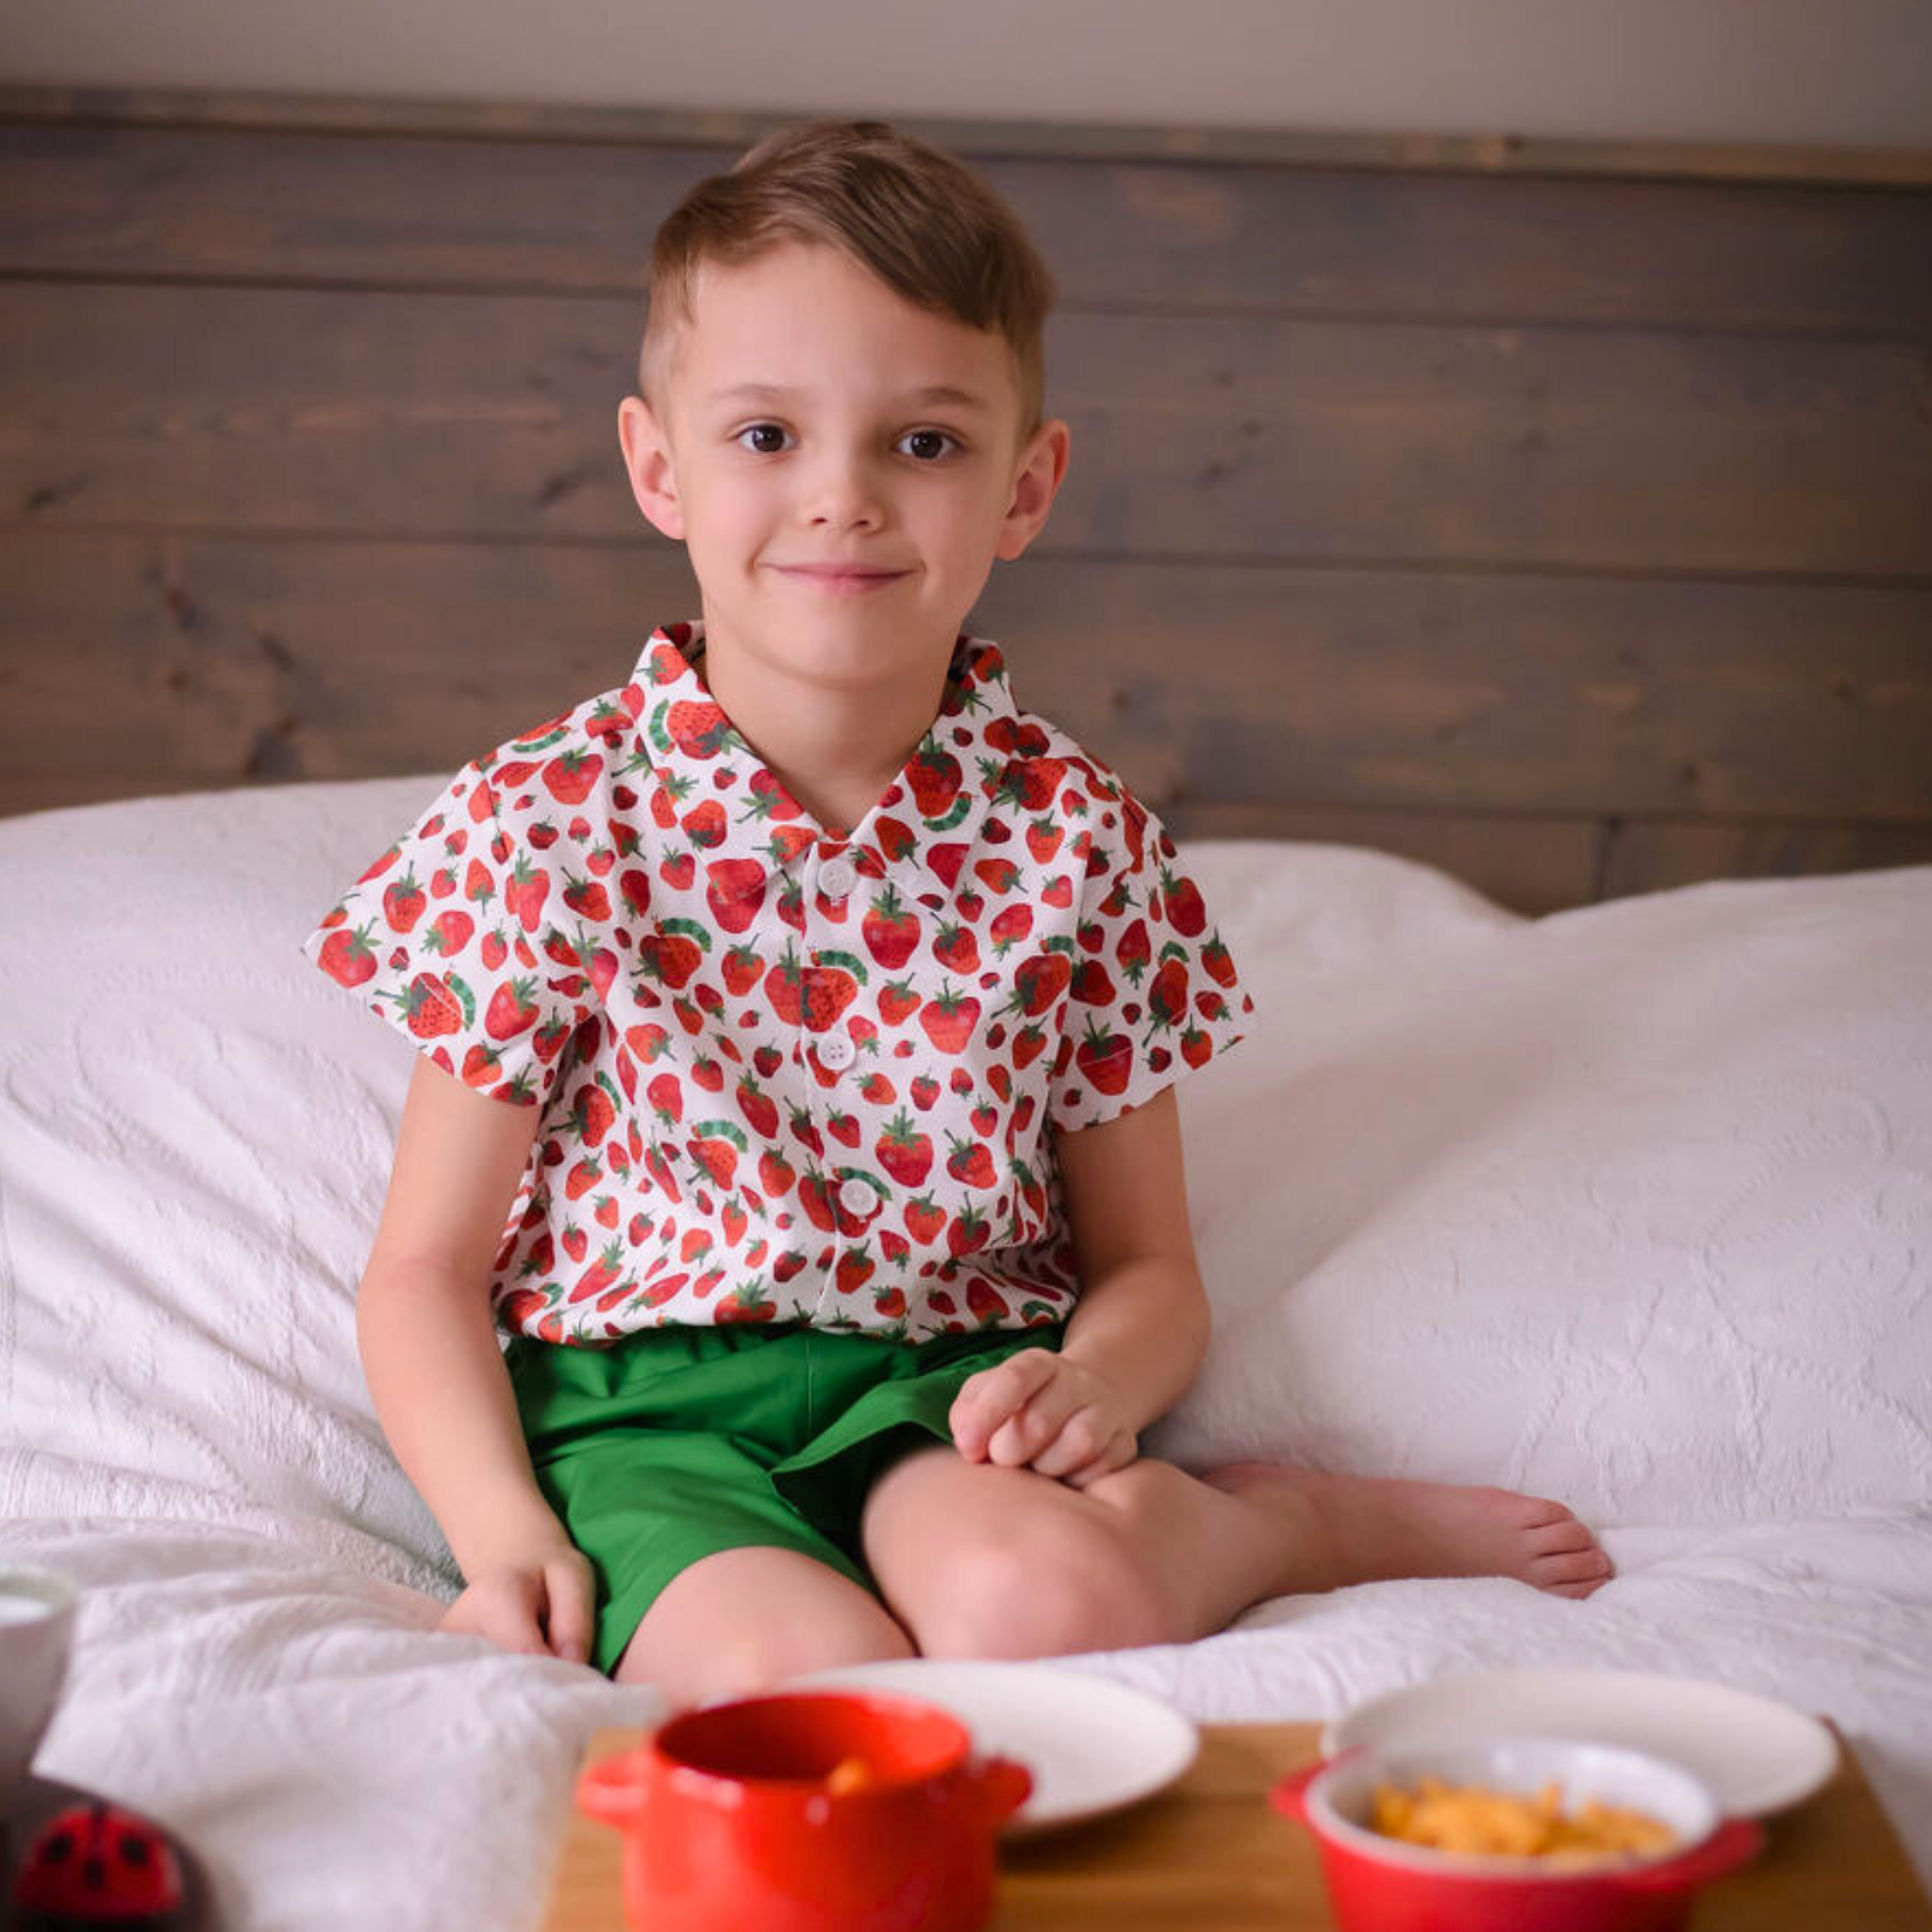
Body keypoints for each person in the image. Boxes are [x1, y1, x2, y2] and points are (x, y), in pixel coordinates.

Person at [303, 119, 1611, 1712]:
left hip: (943, 1396)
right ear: (659, 468)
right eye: (767, 436)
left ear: (1024, 486)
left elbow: (1151, 1269)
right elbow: (423, 1271)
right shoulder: (552, 823)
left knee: (1040, 1610)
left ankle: (1272, 1526)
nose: (841, 498)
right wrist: (502, 1532)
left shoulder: (1076, 842)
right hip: (641, 1415)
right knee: (808, 1685)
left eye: (922, 443)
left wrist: (1093, 1382)